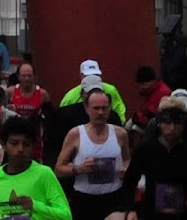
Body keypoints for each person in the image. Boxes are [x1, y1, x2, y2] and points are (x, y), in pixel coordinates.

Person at [119, 104, 187, 220]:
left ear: (183, 126)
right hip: (151, 213)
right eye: (167, 123)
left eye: (176, 123)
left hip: (184, 214)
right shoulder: (145, 150)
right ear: (159, 124)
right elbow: (129, 181)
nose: (172, 128)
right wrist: (131, 208)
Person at [0, 117, 71, 220]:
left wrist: (35, 205)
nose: (20, 149)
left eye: (26, 144)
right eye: (14, 143)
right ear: (3, 145)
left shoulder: (44, 174)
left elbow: (66, 215)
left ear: (32, 147)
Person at [54, 90, 130, 220]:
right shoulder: (75, 134)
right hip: (84, 200)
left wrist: (125, 168)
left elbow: (127, 159)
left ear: (110, 108)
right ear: (86, 108)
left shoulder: (120, 134)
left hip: (113, 198)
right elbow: (58, 169)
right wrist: (78, 169)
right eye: (96, 108)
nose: (100, 112)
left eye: (104, 108)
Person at [58, 61, 127, 123]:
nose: (92, 78)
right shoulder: (70, 96)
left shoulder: (111, 90)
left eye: (96, 75)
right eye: (88, 76)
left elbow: (120, 113)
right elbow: (61, 118)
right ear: (81, 76)